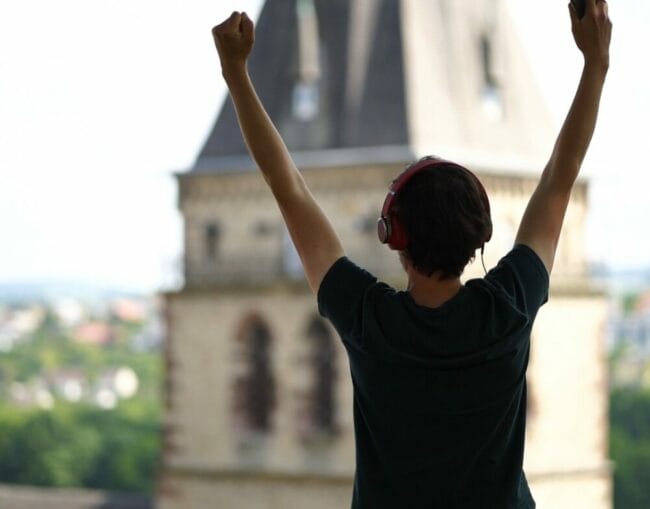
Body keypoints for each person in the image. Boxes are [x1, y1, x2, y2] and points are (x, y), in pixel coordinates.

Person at [211, 1, 612, 507]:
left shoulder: (369, 321)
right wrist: (595, 65)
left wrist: (236, 75)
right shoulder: (507, 308)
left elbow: (287, 187)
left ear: (392, 236)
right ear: (481, 236)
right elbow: (559, 177)